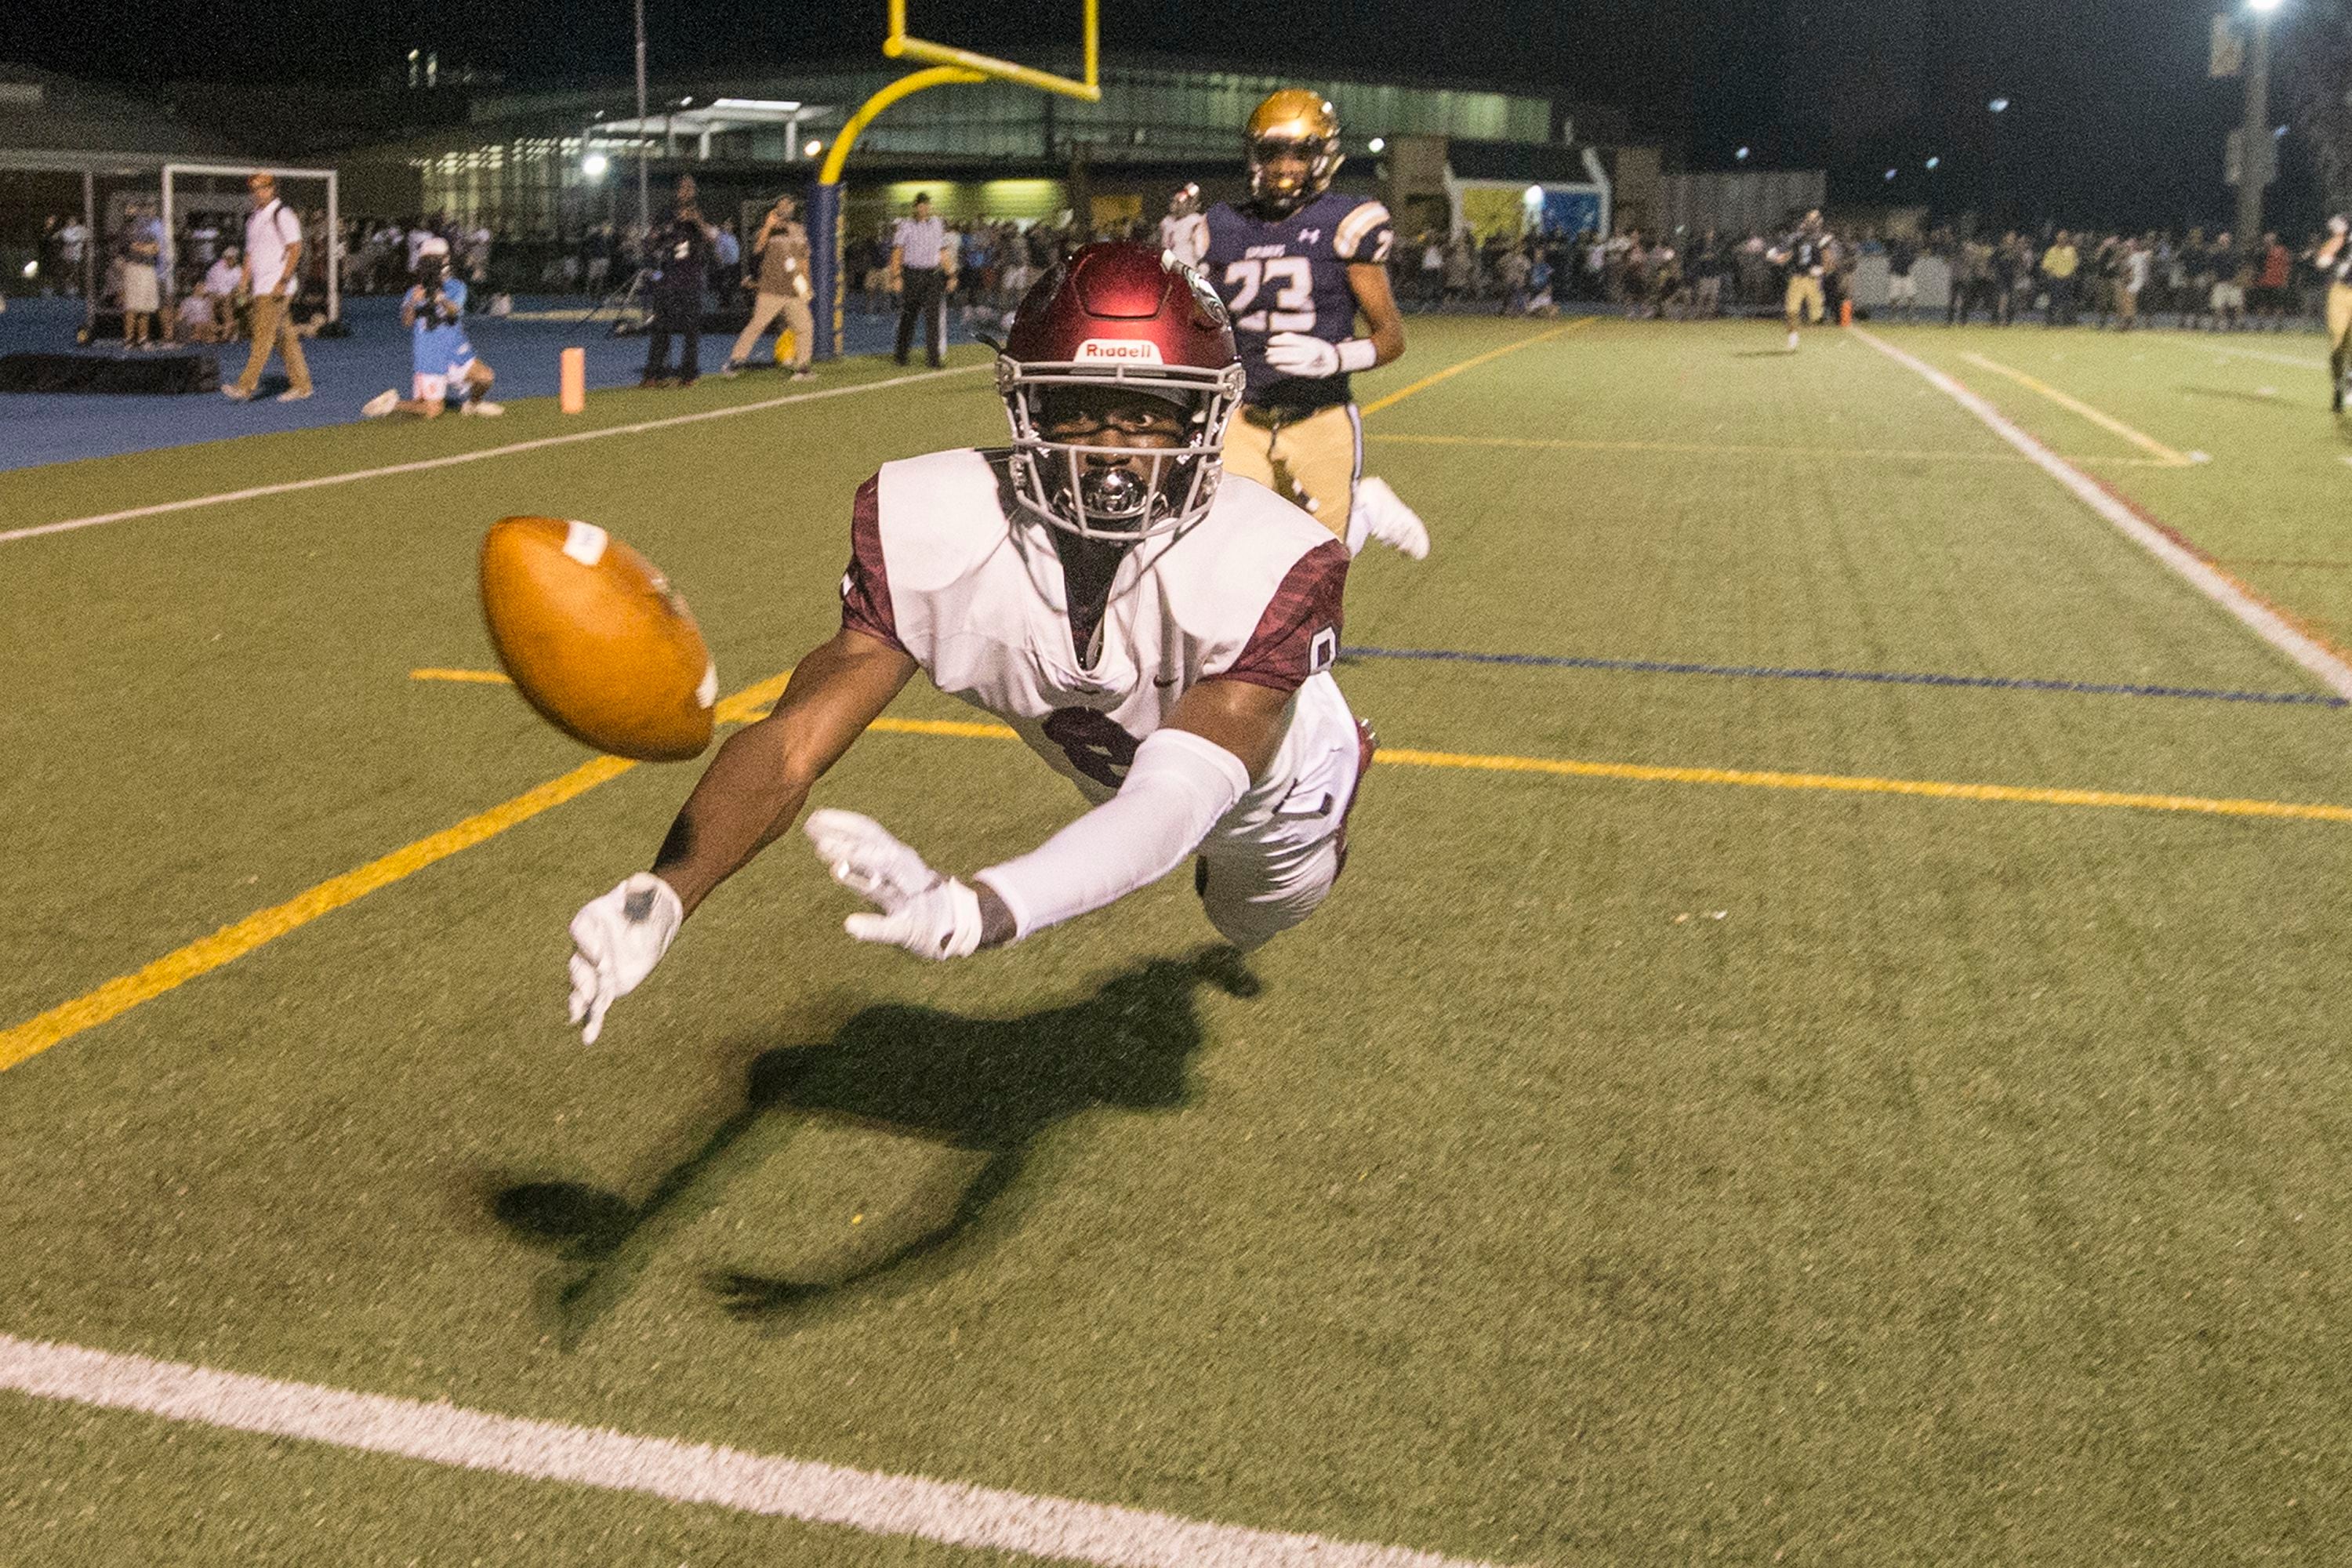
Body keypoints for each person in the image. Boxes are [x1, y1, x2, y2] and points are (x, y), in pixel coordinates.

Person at [564, 242, 1373, 1043]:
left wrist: (979, 907)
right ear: (1026, 407)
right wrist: (666, 889)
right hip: (1112, 774)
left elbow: (1173, 800)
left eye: (1151, 414)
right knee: (1122, 816)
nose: (1112, 450)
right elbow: (791, 743)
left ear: (1205, 417)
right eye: (1079, 408)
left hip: (1276, 803)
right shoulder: (935, 520)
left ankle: (1343, 751)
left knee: (1241, 918)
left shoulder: (1270, 561)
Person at [1199, 89, 1430, 561]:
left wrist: (1335, 357)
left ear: (1323, 156)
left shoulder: (1345, 222)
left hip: (1320, 417)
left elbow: (1392, 339)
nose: (1285, 166)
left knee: (1319, 566)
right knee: (1233, 552)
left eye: (1300, 153)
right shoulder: (1221, 226)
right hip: (1242, 417)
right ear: (1254, 155)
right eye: (1272, 152)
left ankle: (1365, 505)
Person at [361, 237, 502, 419]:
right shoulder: (414, 291)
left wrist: (440, 298)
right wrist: (413, 303)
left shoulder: (456, 286)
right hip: (430, 355)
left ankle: (472, 404)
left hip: (455, 351)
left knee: (485, 377)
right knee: (433, 411)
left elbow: (454, 312)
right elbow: (407, 322)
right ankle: (393, 404)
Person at [223, 172, 312, 402]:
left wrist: (283, 281)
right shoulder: (253, 218)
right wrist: (244, 282)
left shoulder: (282, 214)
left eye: (263, 187)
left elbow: (295, 248)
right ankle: (302, 385)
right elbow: (250, 253)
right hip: (261, 287)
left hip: (275, 287)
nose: (258, 192)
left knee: (262, 336)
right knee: (285, 337)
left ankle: (245, 386)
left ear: (273, 189)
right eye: (254, 188)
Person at [724, 193, 815, 381]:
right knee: (757, 325)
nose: (786, 207)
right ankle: (735, 361)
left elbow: (804, 260)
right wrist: (768, 225)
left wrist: (807, 285)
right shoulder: (767, 229)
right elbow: (757, 249)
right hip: (771, 289)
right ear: (775, 208)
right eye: (782, 204)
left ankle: (803, 367)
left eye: (789, 204)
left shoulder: (799, 230)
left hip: (793, 290)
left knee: (805, 326)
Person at [643, 187, 714, 387]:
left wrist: (696, 221)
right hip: (668, 280)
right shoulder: (666, 214)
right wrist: (664, 231)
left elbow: (712, 238)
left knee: (691, 330)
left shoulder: (699, 215)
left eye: (689, 187)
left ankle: (688, 375)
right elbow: (651, 241)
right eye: (682, 187)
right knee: (660, 328)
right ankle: (653, 374)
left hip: (691, 281)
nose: (685, 192)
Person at [891, 192, 950, 368]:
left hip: (933, 275)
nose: (924, 208)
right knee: (909, 316)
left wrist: (951, 274)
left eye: (926, 204)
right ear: (915, 207)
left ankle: (934, 359)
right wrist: (896, 276)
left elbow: (943, 251)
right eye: (921, 205)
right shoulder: (906, 225)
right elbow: (897, 252)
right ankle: (901, 355)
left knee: (933, 318)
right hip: (913, 274)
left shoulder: (937, 224)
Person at [1766, 209, 1834, 350]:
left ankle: (1809, 329)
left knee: (1816, 317)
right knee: (1791, 311)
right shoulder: (1797, 237)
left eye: (1814, 220)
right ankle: (1793, 337)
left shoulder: (1822, 239)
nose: (1812, 223)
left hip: (1813, 281)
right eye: (1810, 220)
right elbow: (1785, 255)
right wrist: (1775, 257)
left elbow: (1830, 264)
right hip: (1797, 278)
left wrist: (1821, 269)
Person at [2314, 216, 2352, 412]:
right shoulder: (2346, 228)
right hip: (2341, 292)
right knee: (2338, 343)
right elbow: (2322, 260)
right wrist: (2333, 249)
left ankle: (2350, 380)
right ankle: (2339, 386)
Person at [119, 201, 162, 350]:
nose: (133, 212)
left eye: (134, 209)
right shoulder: (126, 229)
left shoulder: (149, 230)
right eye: (129, 209)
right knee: (132, 306)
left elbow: (156, 248)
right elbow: (134, 246)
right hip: (134, 268)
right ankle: (129, 339)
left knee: (147, 307)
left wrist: (148, 248)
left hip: (149, 269)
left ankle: (143, 339)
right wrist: (146, 248)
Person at [1160, 183, 1207, 267]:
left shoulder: (1195, 221)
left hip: (1186, 266)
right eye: (1175, 201)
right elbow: (1162, 246)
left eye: (1182, 201)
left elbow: (1200, 252)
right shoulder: (1166, 222)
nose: (1178, 204)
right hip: (1167, 266)